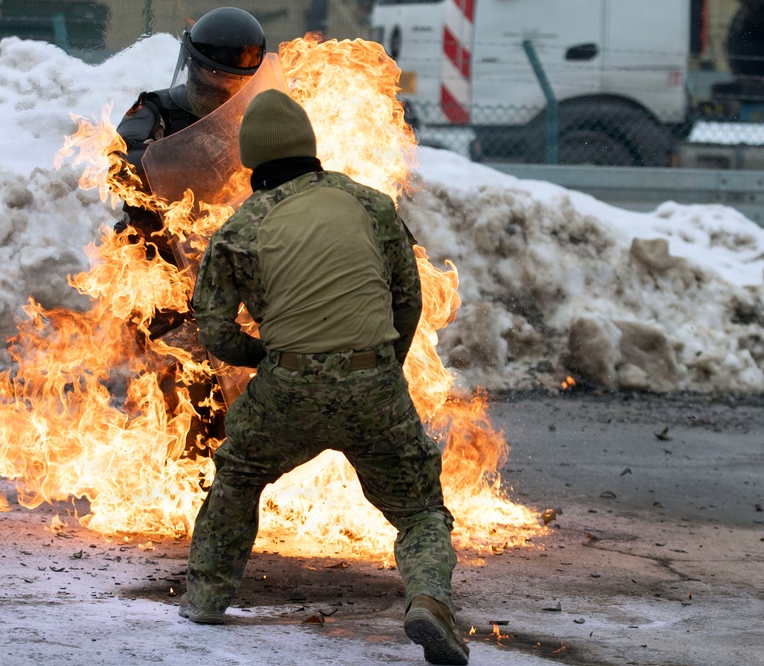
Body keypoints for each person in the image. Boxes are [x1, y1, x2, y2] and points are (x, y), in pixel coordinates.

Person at [178, 89, 470, 665]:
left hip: (286, 386)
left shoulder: (240, 228)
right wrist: (378, 363)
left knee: (238, 477)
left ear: (252, 160)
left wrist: (264, 356)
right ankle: (429, 600)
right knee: (419, 511)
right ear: (310, 148)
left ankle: (207, 599)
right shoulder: (371, 205)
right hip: (375, 385)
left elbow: (210, 329)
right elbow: (406, 299)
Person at [110, 7, 267, 449]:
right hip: (160, 274)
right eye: (207, 84)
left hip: (228, 272)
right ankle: (188, 473)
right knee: (186, 374)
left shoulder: (255, 125)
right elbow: (121, 159)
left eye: (230, 88)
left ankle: (235, 474)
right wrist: (150, 165)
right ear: (190, 67)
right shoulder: (153, 110)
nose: (216, 98)